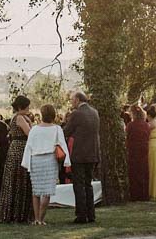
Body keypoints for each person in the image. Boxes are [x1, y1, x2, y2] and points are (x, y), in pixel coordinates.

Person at [24, 103, 70, 225]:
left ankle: (36, 218)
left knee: (36, 191)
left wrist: (27, 163)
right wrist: (67, 161)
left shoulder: (34, 129)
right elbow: (63, 145)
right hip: (50, 160)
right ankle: (41, 218)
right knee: (47, 191)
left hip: (35, 160)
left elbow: (29, 147)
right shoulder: (57, 129)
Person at [63, 91, 100, 223]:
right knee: (88, 184)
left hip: (79, 154)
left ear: (78, 99)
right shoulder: (95, 112)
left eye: (72, 99)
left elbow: (67, 131)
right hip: (92, 153)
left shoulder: (77, 114)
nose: (71, 102)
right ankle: (91, 214)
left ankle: (81, 215)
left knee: (79, 185)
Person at [0, 96, 35, 224]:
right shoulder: (19, 117)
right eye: (27, 106)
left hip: (20, 147)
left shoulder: (21, 117)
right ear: (20, 107)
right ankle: (17, 213)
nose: (29, 109)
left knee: (20, 178)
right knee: (19, 178)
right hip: (20, 149)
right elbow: (30, 133)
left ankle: (20, 212)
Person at [125, 105, 151, 201]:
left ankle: (135, 194)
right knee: (143, 171)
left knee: (134, 172)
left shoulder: (130, 125)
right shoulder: (146, 125)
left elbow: (127, 137)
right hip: (144, 149)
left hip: (133, 150)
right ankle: (144, 194)